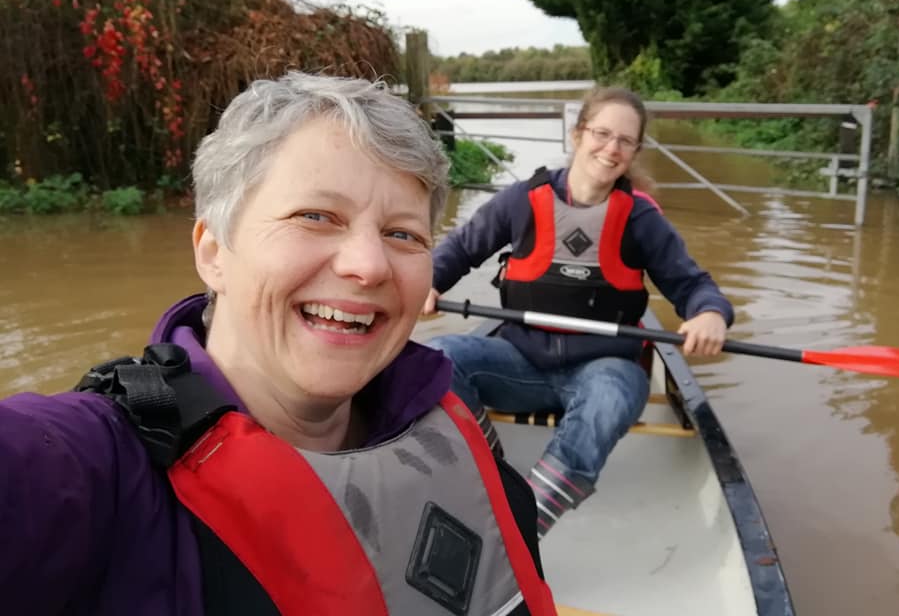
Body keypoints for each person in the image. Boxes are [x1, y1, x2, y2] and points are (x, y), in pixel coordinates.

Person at [0, 73, 558, 616]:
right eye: (314, 217)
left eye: (402, 234)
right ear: (213, 252)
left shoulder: (452, 425)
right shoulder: (93, 468)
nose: (368, 265)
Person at [422, 87, 733, 539]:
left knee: (606, 399)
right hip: (522, 365)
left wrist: (710, 314)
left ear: (635, 151)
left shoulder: (641, 219)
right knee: (437, 360)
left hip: (606, 370)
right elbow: (460, 248)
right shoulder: (523, 200)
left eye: (625, 141)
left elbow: (693, 285)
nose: (612, 148)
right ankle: (492, 478)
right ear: (577, 133)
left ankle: (524, 525)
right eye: (602, 134)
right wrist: (428, 281)